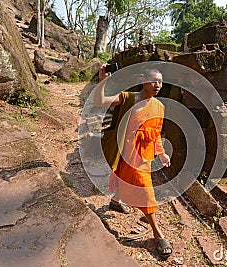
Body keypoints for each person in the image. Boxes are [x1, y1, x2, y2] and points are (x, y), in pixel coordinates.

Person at [94, 66, 173, 259]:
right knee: (145, 190)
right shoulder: (128, 98)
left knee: (135, 181)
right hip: (124, 150)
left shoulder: (159, 107)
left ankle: (115, 201)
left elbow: (155, 134)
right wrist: (103, 81)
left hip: (143, 155)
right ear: (143, 80)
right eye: (154, 80)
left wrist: (161, 153)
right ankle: (157, 233)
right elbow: (99, 102)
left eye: (160, 82)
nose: (158, 85)